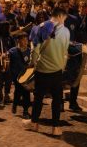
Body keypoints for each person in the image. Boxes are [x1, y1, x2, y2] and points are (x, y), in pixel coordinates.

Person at [23, 7, 70, 136]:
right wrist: (62, 65)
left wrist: (33, 63)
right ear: (60, 16)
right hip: (57, 71)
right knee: (56, 99)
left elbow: (35, 49)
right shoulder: (66, 31)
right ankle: (55, 127)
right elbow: (65, 52)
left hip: (42, 69)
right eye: (64, 19)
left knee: (38, 98)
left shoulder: (41, 27)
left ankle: (35, 123)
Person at [0, 21, 15, 104]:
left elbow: (14, 48)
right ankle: (0, 94)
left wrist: (8, 53)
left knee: (8, 78)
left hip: (9, 60)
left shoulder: (10, 38)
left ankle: (6, 94)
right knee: (0, 78)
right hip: (0, 61)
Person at [9, 32, 31, 119]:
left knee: (26, 92)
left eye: (27, 40)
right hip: (16, 77)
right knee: (18, 92)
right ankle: (15, 104)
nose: (26, 42)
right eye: (23, 40)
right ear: (18, 41)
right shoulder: (12, 51)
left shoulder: (30, 51)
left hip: (26, 77)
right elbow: (6, 59)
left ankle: (25, 111)